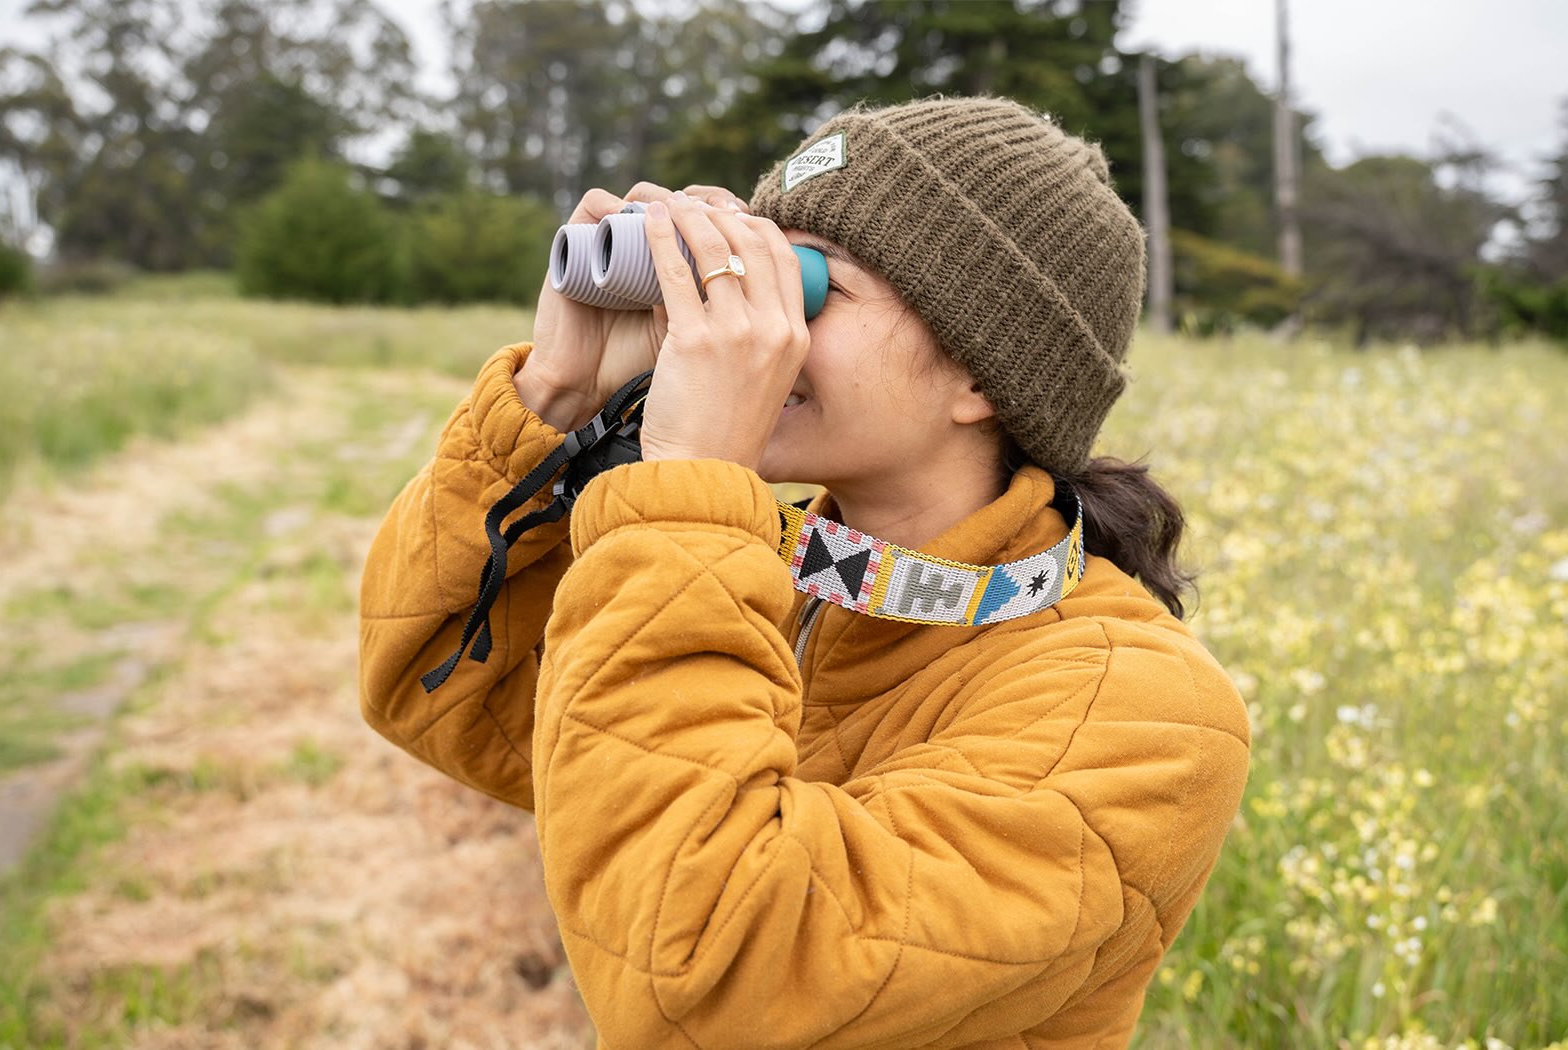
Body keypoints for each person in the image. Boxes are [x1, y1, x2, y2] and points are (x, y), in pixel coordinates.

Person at [358, 94, 1251, 1048]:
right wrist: (559, 393)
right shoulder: (787, 579)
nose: (761, 322)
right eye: (755, 266)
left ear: (980, 376)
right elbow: (437, 689)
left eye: (809, 282)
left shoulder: (1142, 712)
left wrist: (688, 484)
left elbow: (711, 979)